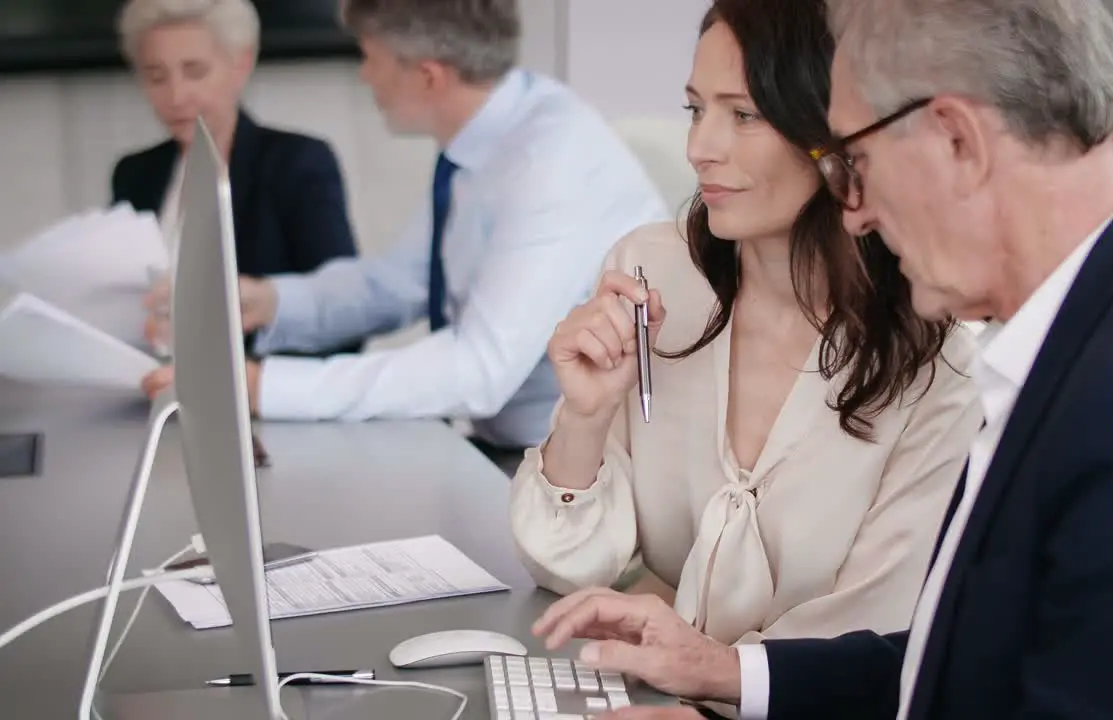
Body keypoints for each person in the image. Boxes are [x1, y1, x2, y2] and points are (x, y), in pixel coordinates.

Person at [529, 0, 1113, 718]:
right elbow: (957, 666)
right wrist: (723, 671)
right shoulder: (1102, 331)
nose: (853, 210)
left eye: (857, 160)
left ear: (958, 141)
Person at [509, 0, 981, 666]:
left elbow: (874, 645)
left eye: (744, 114)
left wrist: (710, 676)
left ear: (839, 132)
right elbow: (568, 571)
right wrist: (585, 421)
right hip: (648, 686)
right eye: (696, 109)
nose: (699, 149)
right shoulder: (650, 272)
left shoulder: (938, 355)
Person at [141, 0, 669, 458]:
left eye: (369, 57)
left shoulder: (550, 164)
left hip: (586, 473)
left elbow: (476, 372)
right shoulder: (483, 143)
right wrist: (268, 301)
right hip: (503, 449)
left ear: (427, 75)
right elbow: (400, 282)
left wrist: (259, 388)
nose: (363, 75)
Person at [115, 0, 362, 355]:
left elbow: (345, 319)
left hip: (260, 397)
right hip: (150, 391)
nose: (175, 96)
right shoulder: (134, 174)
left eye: (195, 71)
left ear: (240, 65)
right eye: (156, 76)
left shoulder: (296, 163)